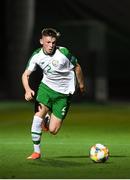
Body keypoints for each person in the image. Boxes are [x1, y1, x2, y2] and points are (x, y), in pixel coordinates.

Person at [22, 27, 86, 160]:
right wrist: (27, 90)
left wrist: (81, 85)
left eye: (53, 42)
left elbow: (77, 67)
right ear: (41, 41)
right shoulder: (36, 55)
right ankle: (36, 152)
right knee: (37, 117)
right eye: (48, 42)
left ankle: (48, 119)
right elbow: (25, 75)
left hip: (63, 94)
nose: (51, 45)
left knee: (53, 130)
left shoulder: (63, 53)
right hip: (46, 88)